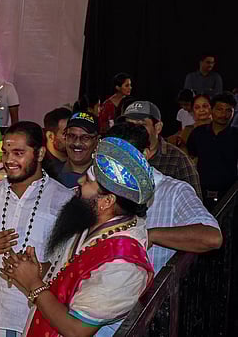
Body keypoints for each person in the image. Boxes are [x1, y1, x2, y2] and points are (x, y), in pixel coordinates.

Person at [2, 137, 155, 336]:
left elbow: (76, 330)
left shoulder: (123, 266)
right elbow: (70, 275)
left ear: (107, 201)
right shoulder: (92, 224)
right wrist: (38, 271)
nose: (80, 181)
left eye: (89, 180)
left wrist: (33, 283)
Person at [90, 123, 221, 336]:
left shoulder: (173, 191)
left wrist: (150, 235)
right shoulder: (95, 187)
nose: (116, 166)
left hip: (144, 317)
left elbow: (211, 237)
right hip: (94, 308)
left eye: (124, 158)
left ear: (145, 155)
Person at [0, 122, 72, 337]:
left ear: (40, 154)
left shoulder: (63, 200)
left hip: (34, 316)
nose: (9, 160)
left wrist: (40, 270)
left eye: (18, 153)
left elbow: (69, 265)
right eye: (5, 152)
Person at [119, 100, 202, 197]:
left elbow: (194, 202)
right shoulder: (120, 155)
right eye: (129, 125)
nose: (133, 130)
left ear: (158, 127)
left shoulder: (178, 160)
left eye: (141, 125)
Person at [187, 93, 238, 207]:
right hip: (200, 195)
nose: (223, 114)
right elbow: (191, 159)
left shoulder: (236, 136)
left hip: (230, 199)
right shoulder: (198, 134)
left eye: (228, 110)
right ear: (211, 110)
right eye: (219, 109)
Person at [53, 112, 100, 189]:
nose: (77, 143)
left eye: (85, 137)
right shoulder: (51, 174)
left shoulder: (102, 180)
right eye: (71, 136)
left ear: (97, 140)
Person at [42, 108, 71, 180]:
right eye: (65, 134)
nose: (73, 138)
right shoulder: (41, 167)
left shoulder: (80, 158)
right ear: (50, 136)